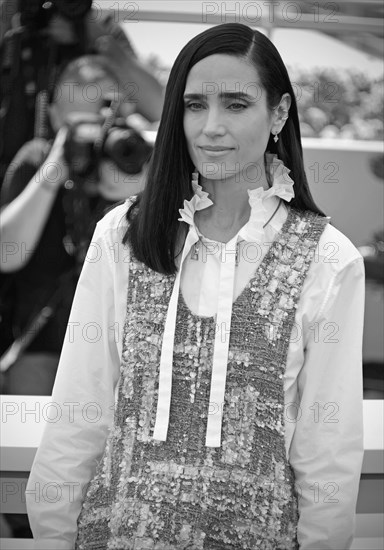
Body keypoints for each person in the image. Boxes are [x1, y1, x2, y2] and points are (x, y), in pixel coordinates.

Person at [26, 23, 365, 550]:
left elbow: (328, 452)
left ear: (278, 113)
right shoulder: (123, 236)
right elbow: (79, 410)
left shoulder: (328, 259)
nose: (210, 127)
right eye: (193, 105)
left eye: (236, 104)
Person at [0, 54, 149, 395]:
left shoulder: (136, 161)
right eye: (78, 123)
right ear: (54, 117)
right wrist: (53, 173)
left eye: (103, 114)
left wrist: (138, 185)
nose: (94, 129)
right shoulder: (36, 159)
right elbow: (7, 254)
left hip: (120, 347)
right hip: (40, 345)